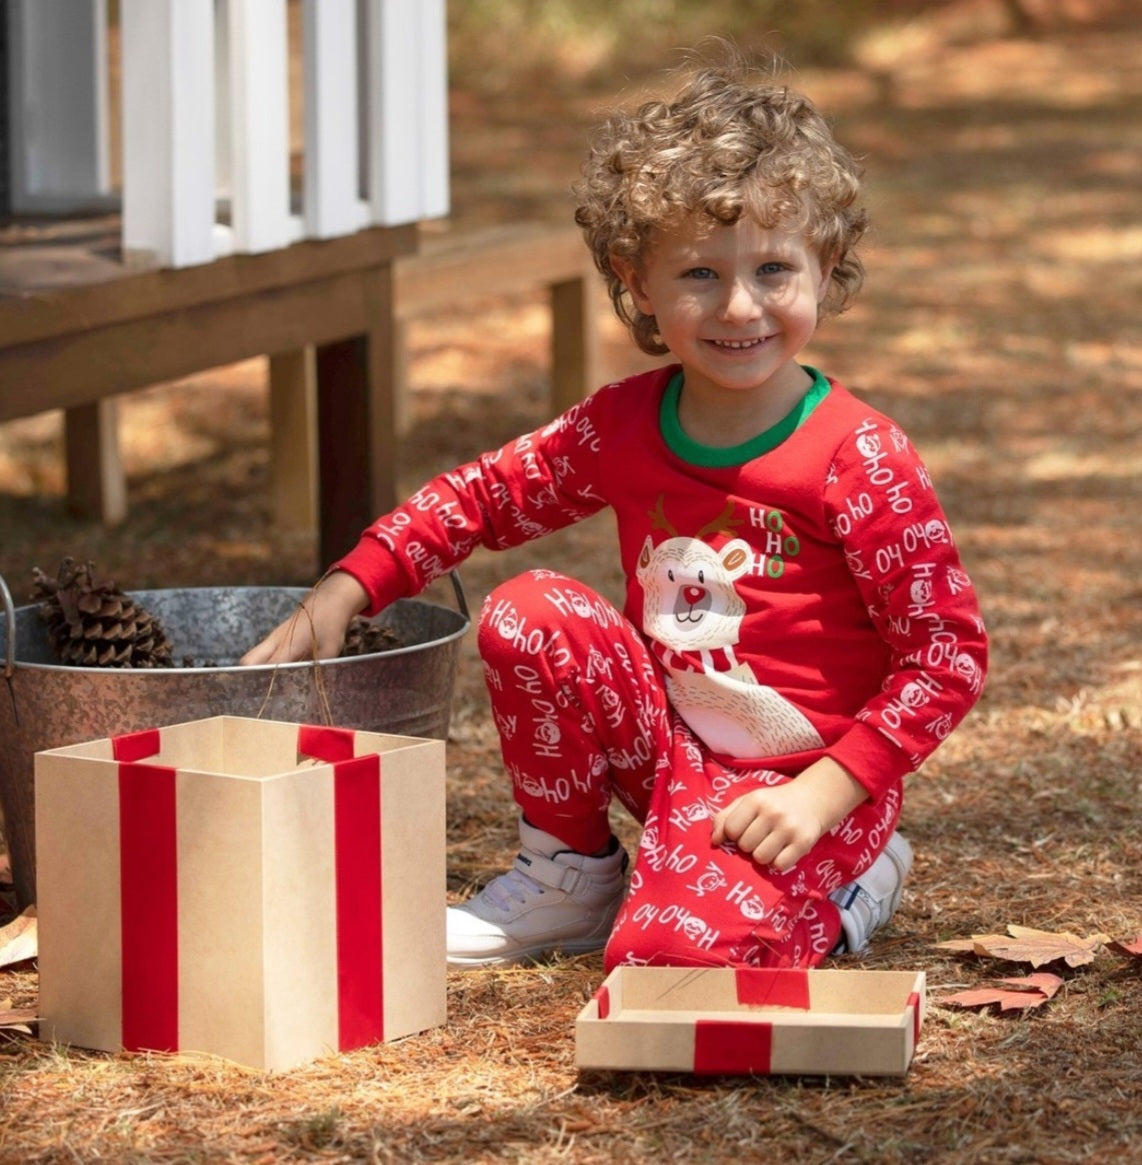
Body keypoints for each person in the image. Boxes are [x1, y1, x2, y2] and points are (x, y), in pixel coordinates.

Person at [242, 45, 987, 971]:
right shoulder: (624, 424)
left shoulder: (860, 457)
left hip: (807, 786)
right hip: (673, 754)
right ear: (637, 281)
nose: (740, 305)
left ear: (825, 266)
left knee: (676, 958)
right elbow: (486, 494)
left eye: (773, 269)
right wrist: (352, 584)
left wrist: (830, 792)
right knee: (528, 610)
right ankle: (570, 876)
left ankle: (855, 879)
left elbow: (947, 654)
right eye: (699, 275)